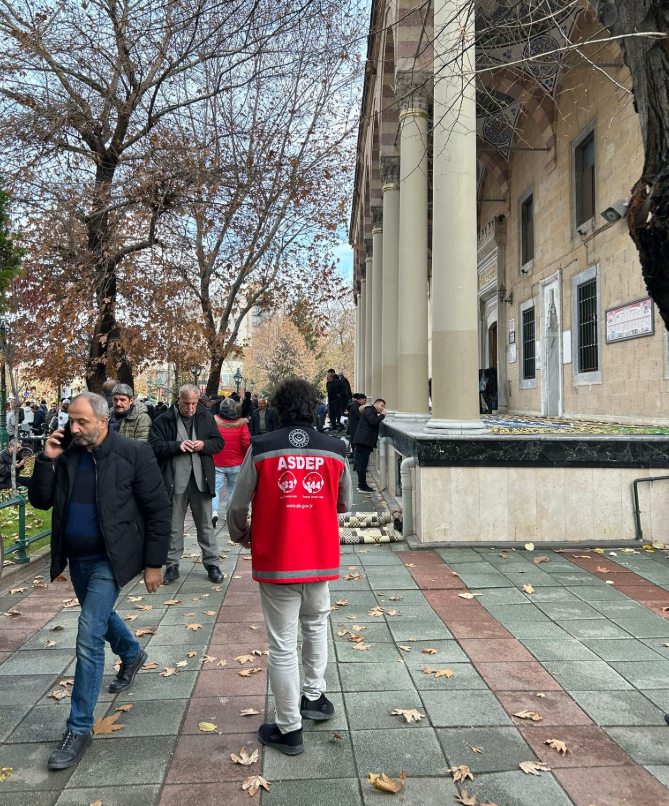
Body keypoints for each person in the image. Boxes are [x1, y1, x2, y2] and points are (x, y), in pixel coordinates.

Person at [27, 392, 171, 771]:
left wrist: (155, 563)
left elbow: (158, 510)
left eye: (82, 422)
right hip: (76, 558)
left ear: (104, 421)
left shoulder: (134, 454)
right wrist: (47, 459)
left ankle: (78, 728)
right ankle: (132, 653)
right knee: (101, 617)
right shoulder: (68, 452)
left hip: (112, 557)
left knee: (88, 631)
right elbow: (40, 503)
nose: (73, 428)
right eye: (70, 420)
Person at [227, 378, 352, 756]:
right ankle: (313, 697)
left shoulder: (264, 447)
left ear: (278, 407)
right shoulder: (335, 448)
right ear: (314, 405)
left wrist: (242, 534)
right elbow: (343, 504)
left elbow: (237, 505)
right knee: (315, 628)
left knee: (282, 645)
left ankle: (288, 727)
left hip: (278, 559)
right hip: (319, 557)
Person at [149, 384, 224, 584]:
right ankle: (172, 566)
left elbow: (219, 443)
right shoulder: (164, 419)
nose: (190, 408)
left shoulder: (206, 417)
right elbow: (154, 446)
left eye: (193, 403)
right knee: (174, 526)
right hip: (174, 481)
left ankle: (212, 564)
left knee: (206, 525)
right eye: (186, 403)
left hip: (201, 480)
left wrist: (204, 445)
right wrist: (177, 446)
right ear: (178, 400)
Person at [212, 397, 251, 528]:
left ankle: (213, 511)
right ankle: (229, 514)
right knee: (232, 489)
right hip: (236, 462)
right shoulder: (242, 424)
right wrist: (245, 457)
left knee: (215, 488)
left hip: (217, 461)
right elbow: (246, 443)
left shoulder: (214, 422)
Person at [352, 398, 386, 493]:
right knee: (362, 464)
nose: (382, 408)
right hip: (364, 441)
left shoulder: (370, 411)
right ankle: (362, 486)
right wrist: (382, 416)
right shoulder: (369, 410)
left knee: (361, 464)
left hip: (363, 441)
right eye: (381, 406)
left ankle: (361, 485)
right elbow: (373, 421)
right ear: (376, 404)